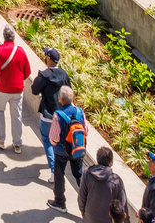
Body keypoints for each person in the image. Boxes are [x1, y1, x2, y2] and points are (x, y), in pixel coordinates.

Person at [0, 23, 31, 152]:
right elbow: (27, 71)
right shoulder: (20, 51)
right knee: (16, 116)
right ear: (14, 37)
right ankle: (17, 144)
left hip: (2, 88)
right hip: (17, 89)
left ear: (4, 36)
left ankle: (0, 139)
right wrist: (18, 80)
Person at [32, 47, 72, 176]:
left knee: (47, 140)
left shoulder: (44, 75)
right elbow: (69, 92)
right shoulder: (64, 75)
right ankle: (59, 167)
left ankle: (54, 171)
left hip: (48, 116)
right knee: (59, 142)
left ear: (48, 58)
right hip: (62, 116)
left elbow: (34, 90)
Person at [50, 83, 88, 212]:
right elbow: (86, 130)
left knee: (59, 174)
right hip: (77, 148)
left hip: (61, 151)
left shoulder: (58, 115)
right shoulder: (80, 112)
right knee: (78, 174)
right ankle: (88, 202)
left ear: (61, 99)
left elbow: (54, 137)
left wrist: (55, 144)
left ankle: (59, 202)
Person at [78, 147, 126, 223]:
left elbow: (81, 197)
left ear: (97, 159)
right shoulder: (116, 181)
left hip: (89, 218)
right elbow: (122, 205)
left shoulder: (87, 173)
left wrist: (85, 214)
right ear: (111, 162)